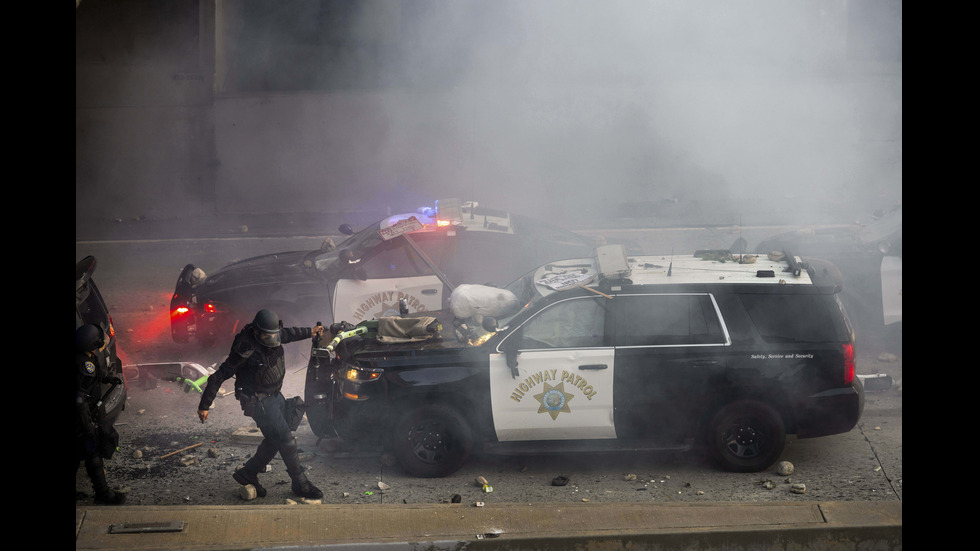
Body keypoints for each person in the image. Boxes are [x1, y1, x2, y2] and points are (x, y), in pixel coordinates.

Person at [197, 309, 325, 499]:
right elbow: (218, 376)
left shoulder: (274, 334)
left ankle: (249, 472)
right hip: (258, 401)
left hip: (274, 396)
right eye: (266, 335)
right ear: (256, 331)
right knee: (286, 439)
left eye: (274, 335)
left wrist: (311, 331)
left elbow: (289, 333)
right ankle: (300, 483)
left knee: (275, 438)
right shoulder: (245, 347)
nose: (271, 339)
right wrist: (204, 405)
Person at [75, 324, 126, 505]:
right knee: (93, 453)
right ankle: (103, 494)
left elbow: (97, 374)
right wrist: (88, 426)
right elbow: (79, 400)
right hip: (81, 417)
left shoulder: (88, 357)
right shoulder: (83, 364)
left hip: (84, 414)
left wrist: (108, 378)